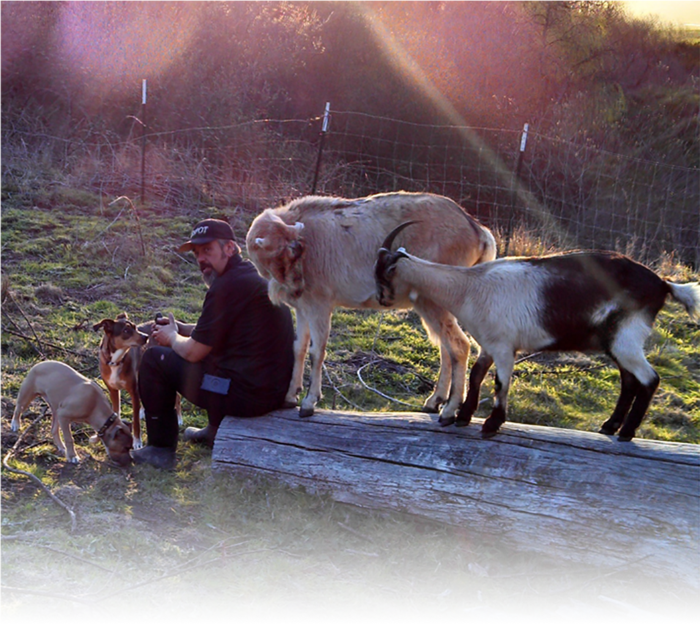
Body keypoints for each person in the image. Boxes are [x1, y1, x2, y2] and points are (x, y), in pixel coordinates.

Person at [131, 218, 295, 470]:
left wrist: (171, 337)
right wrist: (181, 328)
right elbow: (220, 334)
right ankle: (214, 431)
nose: (201, 259)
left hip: (247, 396)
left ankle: (161, 449)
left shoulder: (228, 286)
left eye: (208, 250)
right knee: (216, 357)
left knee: (156, 359)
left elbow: (195, 351)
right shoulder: (246, 276)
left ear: (229, 248)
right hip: (268, 389)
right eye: (197, 253)